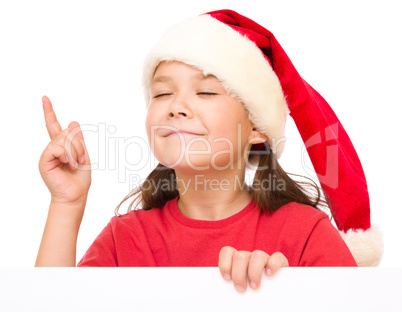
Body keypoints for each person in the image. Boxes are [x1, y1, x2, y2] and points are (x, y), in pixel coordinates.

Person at [35, 9, 383, 292]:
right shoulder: (125, 238)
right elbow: (50, 304)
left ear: (256, 127)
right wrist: (67, 204)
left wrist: (282, 294)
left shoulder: (307, 234)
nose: (176, 107)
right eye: (161, 94)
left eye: (205, 92)